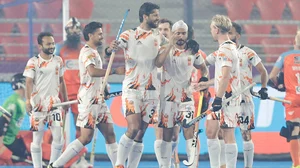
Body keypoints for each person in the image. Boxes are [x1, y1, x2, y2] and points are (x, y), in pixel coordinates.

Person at [48, 22, 124, 168]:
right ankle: (55, 165)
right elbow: (92, 72)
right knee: (85, 137)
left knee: (110, 134)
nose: (102, 36)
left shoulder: (95, 52)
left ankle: (117, 165)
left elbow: (97, 76)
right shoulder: (87, 51)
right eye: (99, 34)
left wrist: (104, 88)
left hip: (99, 99)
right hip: (89, 100)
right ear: (90, 35)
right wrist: (114, 71)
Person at [105, 2, 169, 168]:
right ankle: (119, 164)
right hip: (132, 89)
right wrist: (109, 49)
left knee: (141, 133)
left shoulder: (159, 36)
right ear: (145, 16)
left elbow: (174, 49)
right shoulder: (129, 35)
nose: (158, 18)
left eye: (158, 14)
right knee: (133, 128)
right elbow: (111, 49)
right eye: (155, 14)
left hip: (152, 91)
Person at [155, 20, 208, 168]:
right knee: (167, 135)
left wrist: (204, 79)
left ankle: (192, 164)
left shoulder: (193, 51)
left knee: (189, 131)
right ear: (172, 34)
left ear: (187, 35)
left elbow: (203, 68)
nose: (180, 36)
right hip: (167, 99)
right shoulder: (165, 49)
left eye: (183, 33)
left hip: (186, 99)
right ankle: (165, 165)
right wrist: (169, 45)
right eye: (177, 33)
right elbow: (158, 63)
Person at [23, 32, 69, 168]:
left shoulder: (58, 61)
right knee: (37, 138)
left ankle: (52, 165)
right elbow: (29, 83)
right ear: (40, 45)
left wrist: (65, 99)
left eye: (53, 43)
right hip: (38, 104)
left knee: (59, 138)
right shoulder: (33, 62)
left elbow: (62, 81)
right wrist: (27, 101)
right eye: (48, 44)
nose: (52, 46)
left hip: (55, 103)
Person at [228, 22, 269, 168]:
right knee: (224, 135)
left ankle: (248, 166)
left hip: (244, 99)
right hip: (227, 100)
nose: (228, 36)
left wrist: (264, 88)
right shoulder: (222, 52)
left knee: (245, 134)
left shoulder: (248, 52)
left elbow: (263, 71)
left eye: (231, 33)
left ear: (238, 36)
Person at [54, 17, 93, 167]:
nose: (74, 32)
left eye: (77, 29)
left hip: (80, 95)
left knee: (81, 129)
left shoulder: (85, 49)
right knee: (58, 130)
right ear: (66, 31)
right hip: (61, 95)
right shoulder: (59, 49)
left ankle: (79, 159)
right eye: (71, 29)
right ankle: (58, 160)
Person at [203, 15, 241, 168]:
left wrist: (218, 98)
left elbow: (225, 75)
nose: (211, 31)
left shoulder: (226, 49)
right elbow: (204, 62)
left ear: (216, 29)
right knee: (211, 131)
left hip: (227, 98)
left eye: (212, 28)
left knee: (228, 133)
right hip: (221, 97)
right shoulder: (223, 48)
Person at [269, 31, 300, 168]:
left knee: (294, 130)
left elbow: (272, 77)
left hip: (292, 99)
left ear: (294, 42)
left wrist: (279, 85)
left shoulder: (285, 56)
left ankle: (297, 164)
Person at [154, 18, 181, 168]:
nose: (163, 32)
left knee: (174, 135)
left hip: (175, 94)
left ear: (171, 32)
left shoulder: (178, 50)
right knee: (159, 133)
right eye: (160, 30)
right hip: (158, 94)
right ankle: (164, 165)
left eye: (166, 30)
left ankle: (170, 158)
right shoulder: (153, 47)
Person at [0, 73, 27, 166]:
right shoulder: (15, 101)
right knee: (24, 154)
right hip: (6, 141)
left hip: (10, 138)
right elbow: (3, 120)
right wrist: (0, 144)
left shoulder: (20, 101)